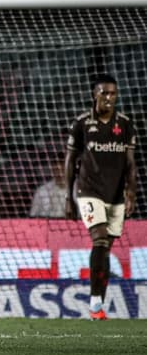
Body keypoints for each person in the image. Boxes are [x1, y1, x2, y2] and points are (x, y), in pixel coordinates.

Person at [64, 74, 137, 320]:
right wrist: (68, 197)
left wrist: (131, 192)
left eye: (113, 93)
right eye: (104, 93)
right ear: (94, 95)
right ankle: (96, 302)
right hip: (89, 191)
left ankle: (97, 307)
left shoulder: (125, 124)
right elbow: (70, 160)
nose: (109, 98)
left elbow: (130, 163)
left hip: (115, 194)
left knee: (105, 249)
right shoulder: (82, 123)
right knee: (100, 238)